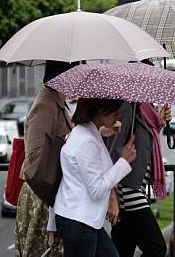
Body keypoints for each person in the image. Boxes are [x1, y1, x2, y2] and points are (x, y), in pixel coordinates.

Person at [47, 98, 137, 257]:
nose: (118, 115)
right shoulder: (86, 142)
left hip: (82, 220)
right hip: (79, 222)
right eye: (114, 110)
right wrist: (124, 161)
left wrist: (104, 131)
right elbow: (97, 189)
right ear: (98, 110)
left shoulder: (84, 133)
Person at [15, 61, 77, 257]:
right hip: (41, 196)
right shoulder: (45, 105)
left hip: (49, 195)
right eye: (75, 72)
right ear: (63, 76)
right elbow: (34, 159)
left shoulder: (57, 102)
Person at [106, 102, 172, 257]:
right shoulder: (128, 108)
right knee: (157, 247)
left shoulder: (144, 110)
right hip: (128, 190)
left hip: (135, 188)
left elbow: (144, 146)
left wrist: (159, 123)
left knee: (122, 251)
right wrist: (112, 195)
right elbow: (112, 153)